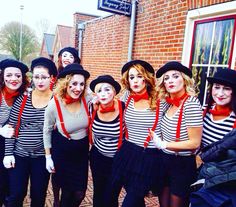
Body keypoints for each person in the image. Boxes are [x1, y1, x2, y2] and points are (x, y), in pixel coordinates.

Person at [108, 60, 164, 207]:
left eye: (139, 76)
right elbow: (112, 106)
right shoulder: (127, 96)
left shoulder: (160, 99)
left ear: (146, 78)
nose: (135, 81)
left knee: (131, 201)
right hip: (127, 152)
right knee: (129, 197)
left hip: (148, 155)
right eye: (131, 77)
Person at [3, 57, 57, 207]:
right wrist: (8, 153)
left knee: (38, 195)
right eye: (36, 77)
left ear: (51, 78)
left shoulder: (56, 100)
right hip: (19, 155)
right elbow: (11, 126)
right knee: (16, 194)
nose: (40, 81)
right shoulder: (23, 97)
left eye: (44, 77)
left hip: (42, 157)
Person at [149, 61, 203, 207]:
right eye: (166, 78)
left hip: (181, 165)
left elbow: (195, 142)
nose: (170, 80)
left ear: (184, 79)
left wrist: (164, 144)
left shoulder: (191, 103)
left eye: (175, 76)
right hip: (164, 161)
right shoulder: (169, 103)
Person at [43, 63, 90, 207]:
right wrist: (48, 157)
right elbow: (47, 130)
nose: (78, 88)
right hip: (62, 149)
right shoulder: (54, 104)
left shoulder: (86, 99)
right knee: (64, 191)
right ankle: (57, 202)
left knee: (79, 194)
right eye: (74, 83)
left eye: (82, 84)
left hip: (81, 151)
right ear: (65, 83)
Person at [190, 68, 236, 207]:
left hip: (224, 180)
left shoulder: (234, 118)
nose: (220, 93)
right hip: (200, 175)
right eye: (217, 87)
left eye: (226, 89)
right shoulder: (205, 111)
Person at [89, 75, 125, 207]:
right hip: (98, 157)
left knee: (111, 195)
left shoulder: (123, 107)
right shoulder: (92, 107)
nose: (103, 94)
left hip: (117, 159)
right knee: (98, 192)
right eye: (99, 91)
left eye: (107, 90)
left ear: (115, 92)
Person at [51, 46, 81, 206]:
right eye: (64, 55)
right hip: (58, 131)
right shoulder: (55, 77)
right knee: (57, 171)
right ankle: (56, 199)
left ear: (76, 59)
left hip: (76, 131)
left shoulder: (80, 76)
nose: (66, 58)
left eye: (70, 55)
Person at [0, 59, 29, 206]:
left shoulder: (23, 94)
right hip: (1, 138)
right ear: (2, 76)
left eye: (18, 76)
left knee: (13, 186)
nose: (13, 79)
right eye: (9, 75)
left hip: (12, 142)